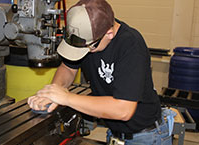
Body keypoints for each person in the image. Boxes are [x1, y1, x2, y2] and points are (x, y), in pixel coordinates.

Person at [28, 0, 172, 144]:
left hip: (146, 137)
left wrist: (66, 98)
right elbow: (68, 68)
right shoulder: (86, 34)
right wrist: (55, 92)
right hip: (114, 133)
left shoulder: (131, 45)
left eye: (89, 48)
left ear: (109, 33)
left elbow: (123, 110)